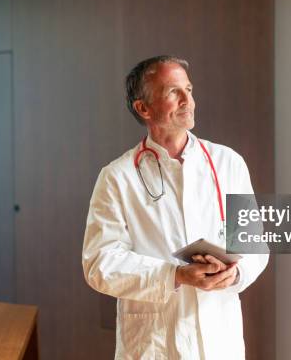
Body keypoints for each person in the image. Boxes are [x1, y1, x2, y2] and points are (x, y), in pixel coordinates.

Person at [82, 55, 269, 359]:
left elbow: (254, 245)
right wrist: (175, 276)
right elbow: (99, 265)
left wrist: (236, 274)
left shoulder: (228, 163)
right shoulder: (117, 176)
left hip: (219, 339)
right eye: (173, 92)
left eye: (189, 89)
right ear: (143, 108)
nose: (188, 100)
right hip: (155, 344)